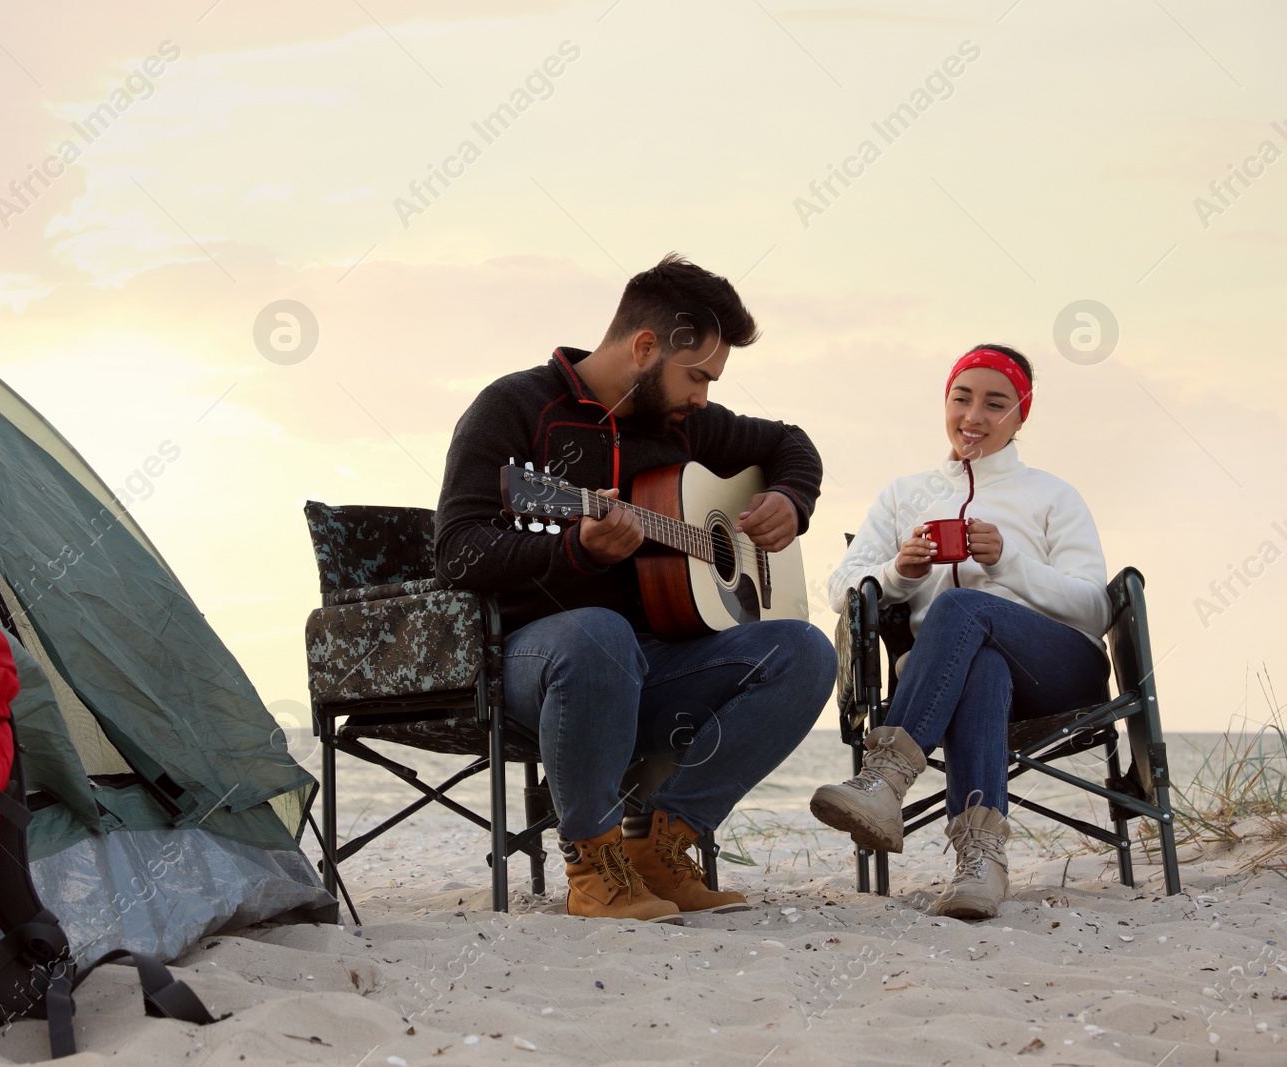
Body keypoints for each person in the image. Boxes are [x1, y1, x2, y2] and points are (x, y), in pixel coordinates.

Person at [434, 253, 835, 924]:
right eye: (698, 375)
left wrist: (791, 499)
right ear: (646, 347)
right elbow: (458, 552)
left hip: (658, 666)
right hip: (539, 666)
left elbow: (791, 441)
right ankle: (594, 865)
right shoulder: (515, 407)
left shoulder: (687, 426)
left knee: (806, 652)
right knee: (598, 631)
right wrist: (573, 549)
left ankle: (662, 846)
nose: (704, 396)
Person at [811, 344, 1112, 920]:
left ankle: (887, 780)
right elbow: (842, 586)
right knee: (981, 664)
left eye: (995, 404)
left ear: (1020, 417)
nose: (973, 416)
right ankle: (981, 862)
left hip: (1055, 667)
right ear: (944, 403)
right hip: (950, 674)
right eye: (961, 398)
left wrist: (1011, 565)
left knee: (962, 608)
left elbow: (1094, 608)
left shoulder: (1052, 494)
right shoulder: (904, 494)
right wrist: (898, 573)